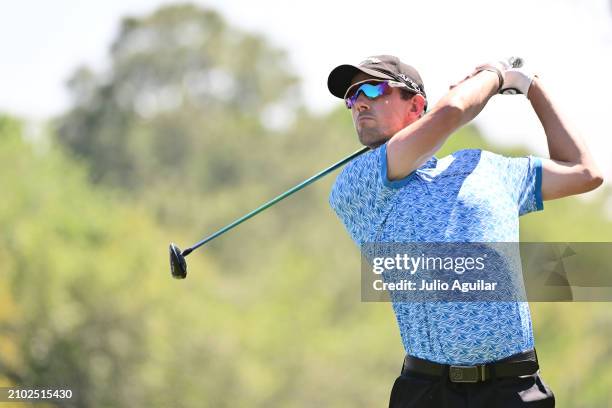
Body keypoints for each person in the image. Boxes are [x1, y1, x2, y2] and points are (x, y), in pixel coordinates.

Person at [326, 55, 604, 407]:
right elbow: (452, 112)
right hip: (430, 391)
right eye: (351, 97)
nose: (359, 101)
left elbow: (584, 172)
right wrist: (496, 74)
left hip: (514, 388)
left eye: (374, 88)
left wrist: (531, 85)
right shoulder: (358, 184)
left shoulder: (488, 169)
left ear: (416, 106)